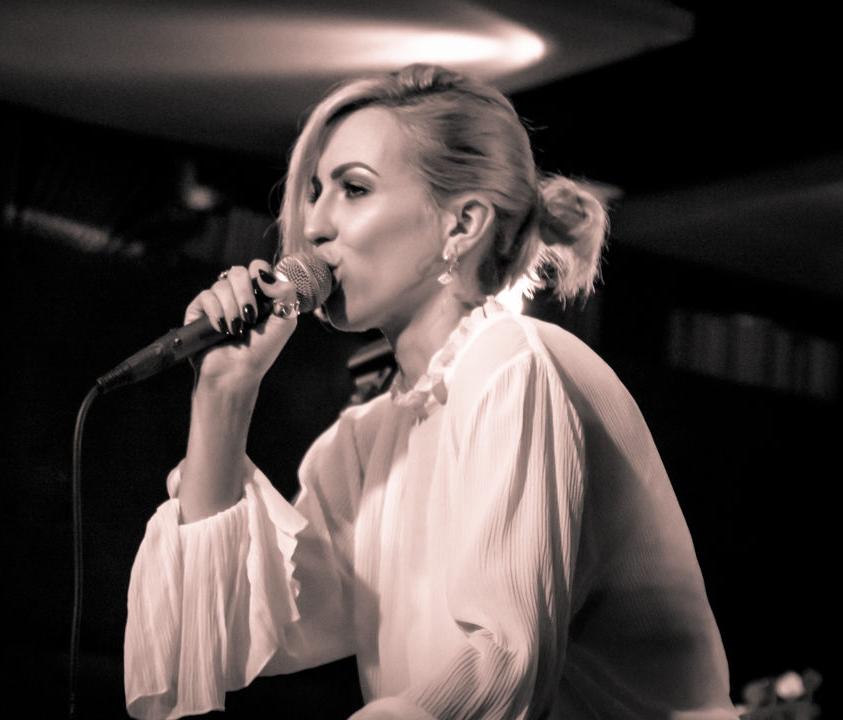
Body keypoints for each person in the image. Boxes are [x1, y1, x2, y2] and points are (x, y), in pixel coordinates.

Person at [124, 64, 736, 720]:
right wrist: (224, 395)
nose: (314, 224)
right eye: (314, 192)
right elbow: (222, 641)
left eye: (354, 188)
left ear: (461, 224)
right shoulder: (367, 439)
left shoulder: (515, 365)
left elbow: (504, 661)